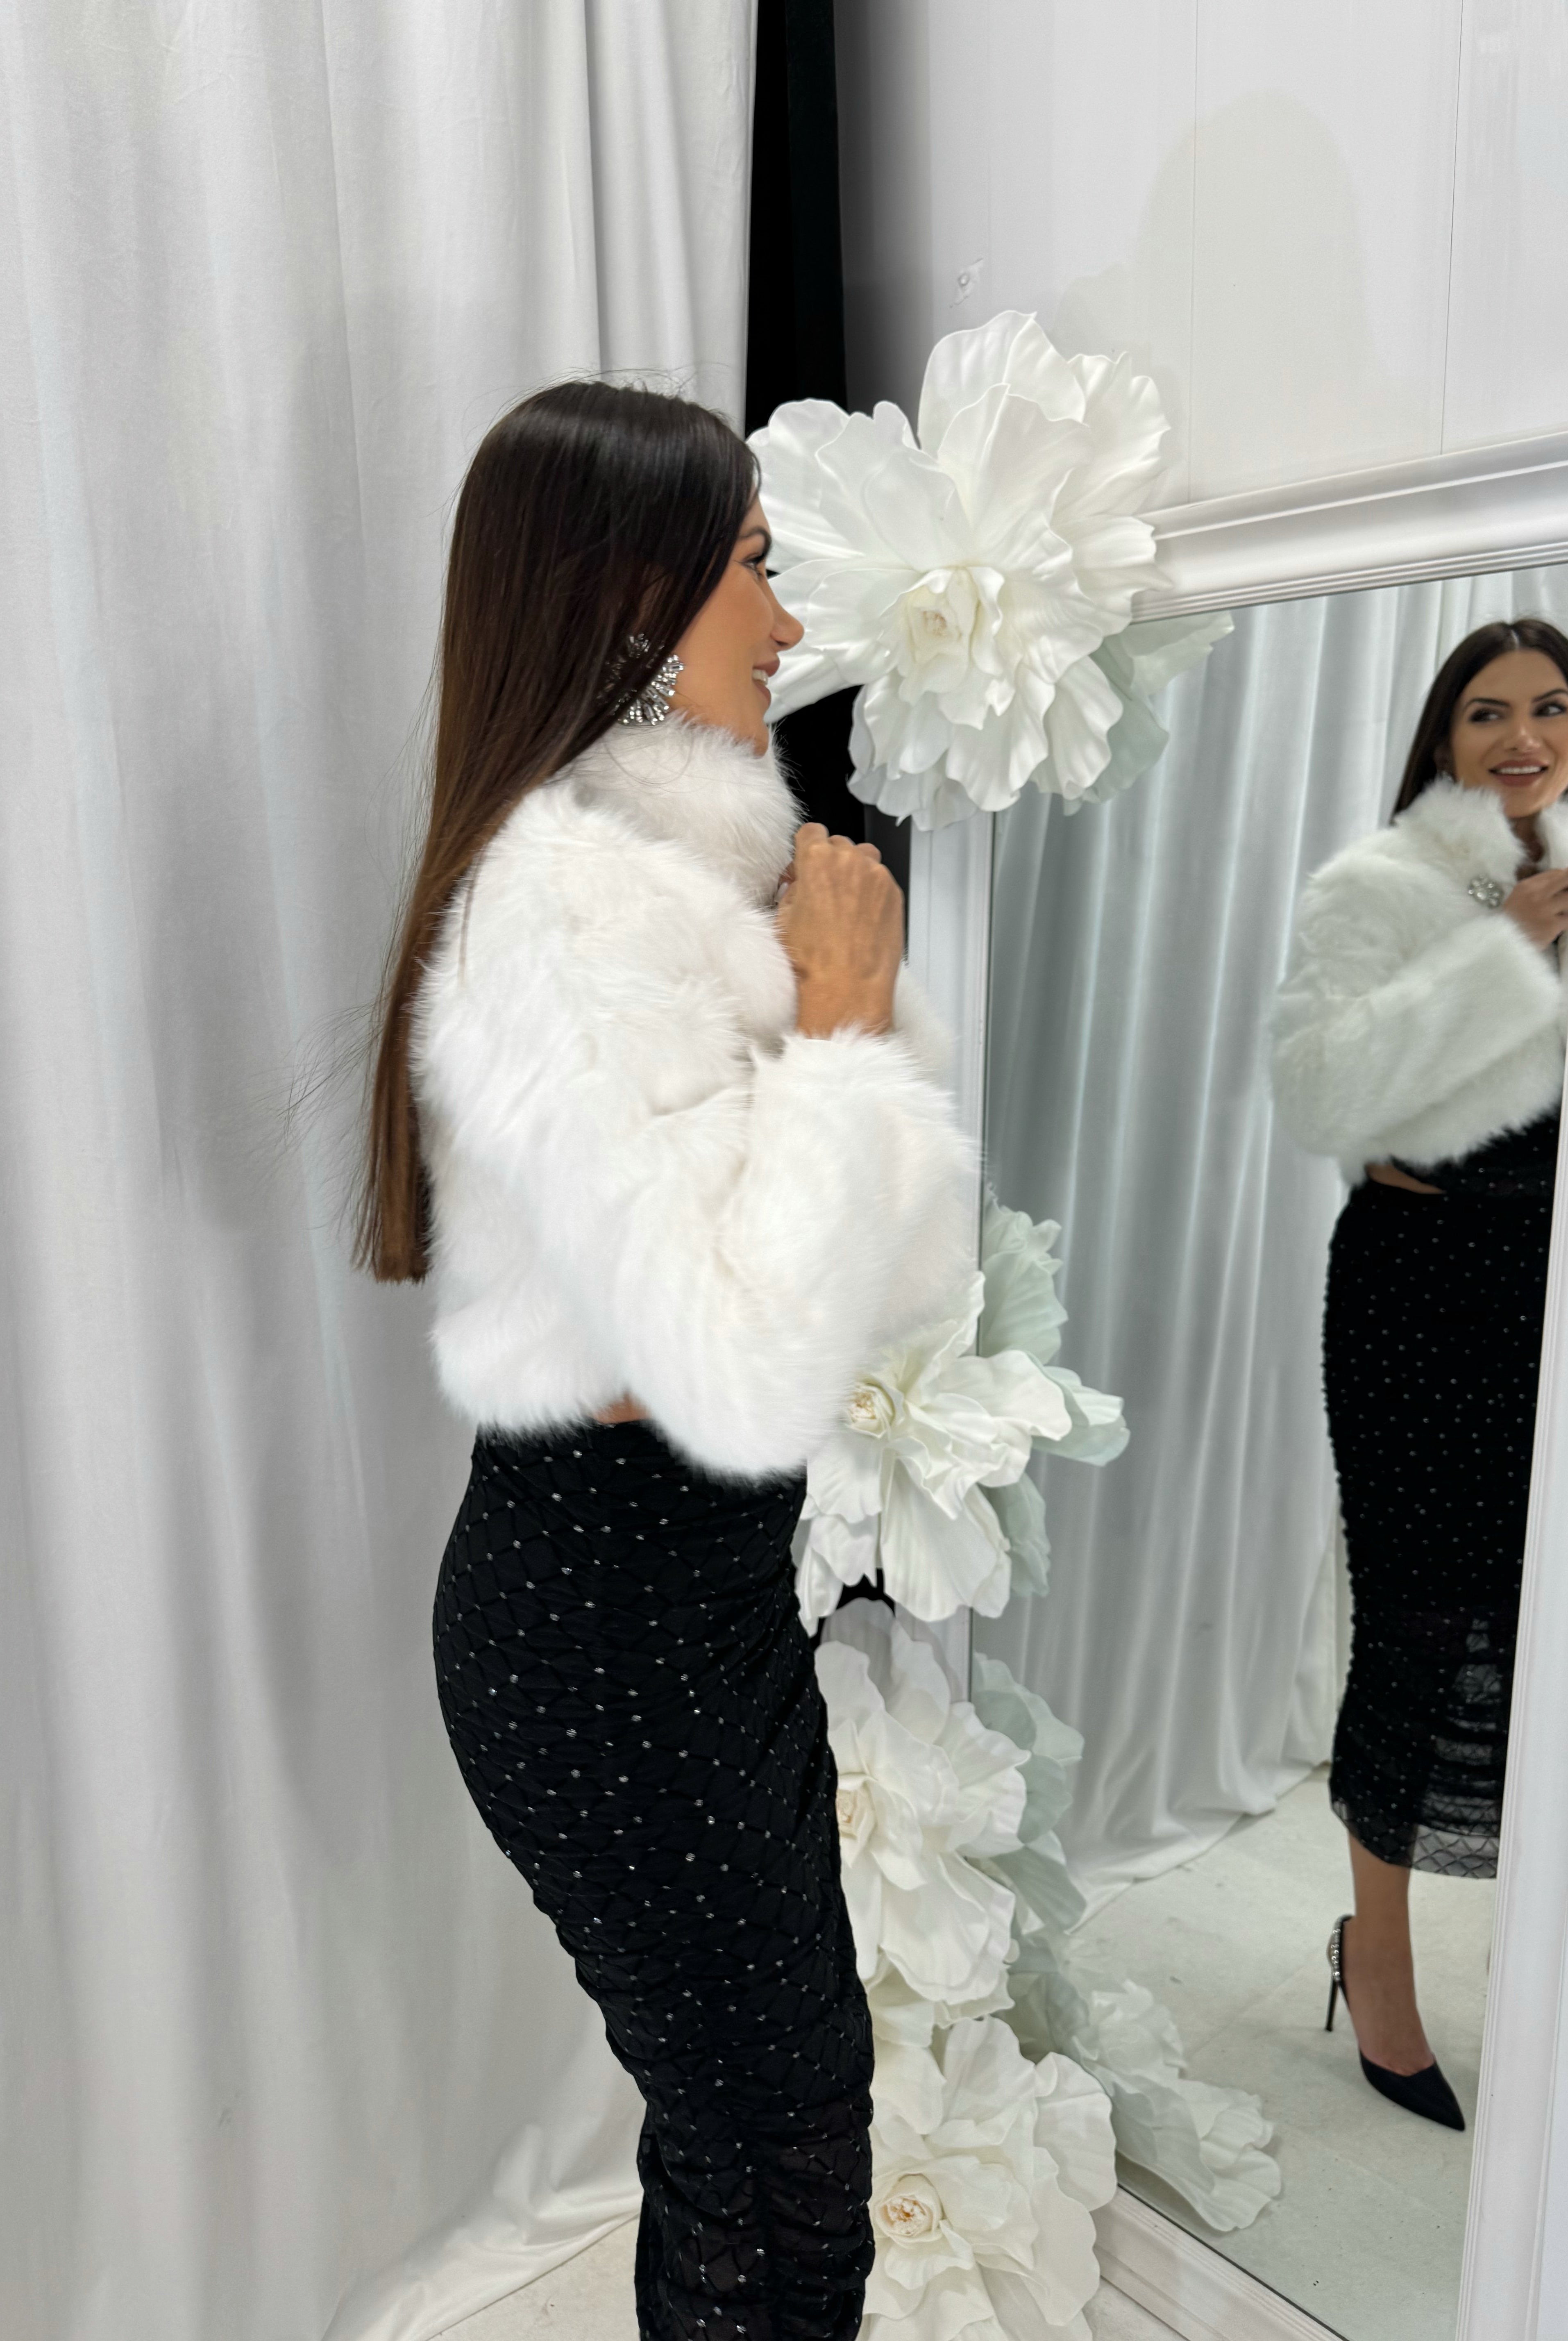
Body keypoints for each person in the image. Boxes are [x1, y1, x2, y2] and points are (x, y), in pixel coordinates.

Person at [354, 380, 971, 2341]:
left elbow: (856, 1279)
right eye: (754, 569)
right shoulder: (567, 909)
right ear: (637, 591)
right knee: (767, 2138)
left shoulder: (673, 887)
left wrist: (835, 1019)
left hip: (689, 1603)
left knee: (775, 2117)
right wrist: (847, 1023)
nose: (785, 624)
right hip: (608, 1629)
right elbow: (699, 1364)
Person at [1273, 617, 1568, 2130]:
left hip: (1547, 1294)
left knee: (1542, 1629)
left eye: (1551, 709)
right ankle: (1374, 1961)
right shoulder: (1376, 887)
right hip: (1415, 1286)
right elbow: (1321, 1093)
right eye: (1487, 713)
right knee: (1415, 1625)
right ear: (1443, 739)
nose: (1523, 739)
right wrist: (1499, 948)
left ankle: (1535, 1969)